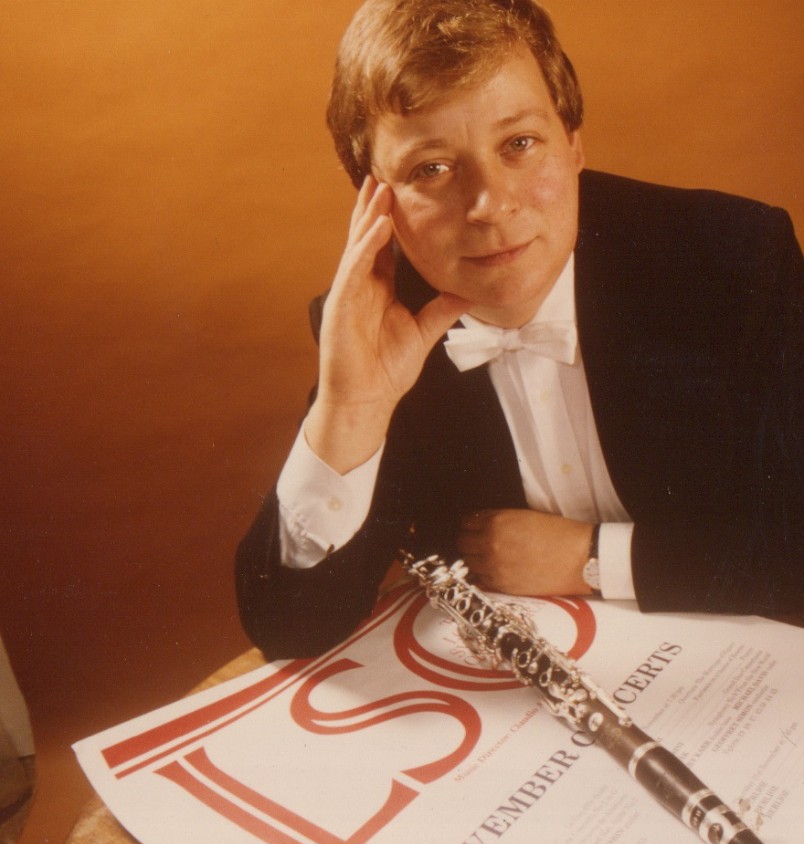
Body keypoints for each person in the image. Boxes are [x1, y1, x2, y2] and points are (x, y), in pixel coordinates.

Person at [236, 0, 803, 661]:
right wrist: (349, 413)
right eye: (431, 168)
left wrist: (592, 557)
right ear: (375, 201)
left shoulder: (734, 260)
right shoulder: (376, 327)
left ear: (573, 142)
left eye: (519, 144)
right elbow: (289, 628)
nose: (490, 204)